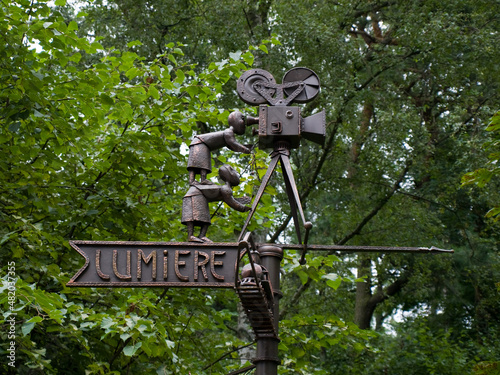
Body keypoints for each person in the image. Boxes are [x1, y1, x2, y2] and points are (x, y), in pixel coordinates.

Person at [182, 165, 251, 242]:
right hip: (194, 196)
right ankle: (191, 236)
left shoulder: (224, 188)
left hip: (195, 195)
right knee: (197, 216)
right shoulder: (226, 189)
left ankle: (201, 236)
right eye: (236, 172)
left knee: (205, 218)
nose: (238, 173)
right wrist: (243, 208)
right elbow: (231, 202)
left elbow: (228, 199)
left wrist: (240, 201)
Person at [187, 111, 251, 185]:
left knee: (196, 162)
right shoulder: (228, 131)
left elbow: (232, 147)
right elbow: (233, 143)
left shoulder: (228, 133)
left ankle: (195, 180)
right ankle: (200, 180)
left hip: (198, 142)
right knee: (202, 162)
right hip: (201, 143)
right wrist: (245, 149)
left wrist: (244, 148)